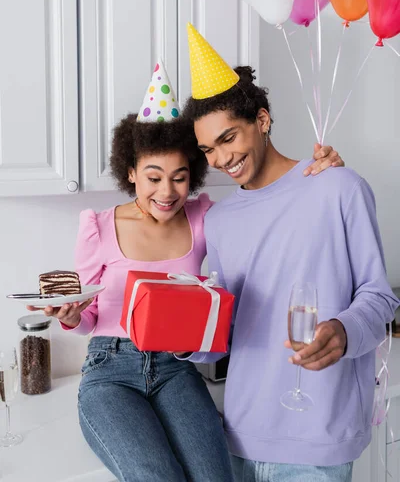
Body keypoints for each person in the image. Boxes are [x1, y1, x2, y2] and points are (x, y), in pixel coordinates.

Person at [27, 59, 341, 482]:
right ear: (131, 172)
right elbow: (87, 316)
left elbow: (267, 214)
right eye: (153, 177)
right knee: (157, 475)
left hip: (177, 368)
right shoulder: (98, 226)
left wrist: (321, 173)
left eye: (179, 177)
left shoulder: (204, 218)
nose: (166, 191)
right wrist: (70, 315)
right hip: (110, 372)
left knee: (216, 476)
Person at [180, 24, 400, 482]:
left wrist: (343, 330)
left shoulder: (338, 187)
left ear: (262, 120)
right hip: (239, 431)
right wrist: (185, 340)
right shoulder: (219, 221)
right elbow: (225, 329)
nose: (220, 160)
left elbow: (380, 299)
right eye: (207, 150)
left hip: (318, 439)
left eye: (228, 138)